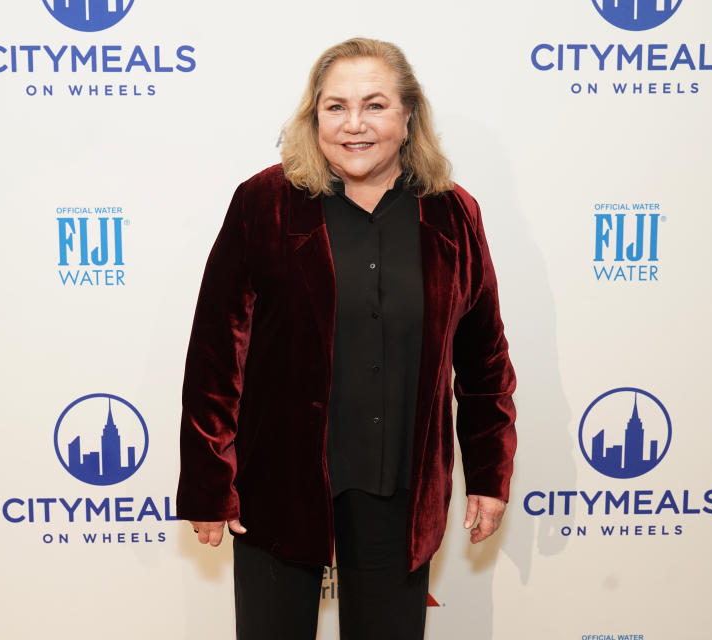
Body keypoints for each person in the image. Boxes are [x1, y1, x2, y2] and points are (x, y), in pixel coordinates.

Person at [176, 37, 517, 640]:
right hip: (278, 489)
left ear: (408, 116)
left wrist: (490, 475)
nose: (354, 125)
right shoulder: (264, 203)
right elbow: (214, 351)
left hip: (400, 491)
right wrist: (209, 481)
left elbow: (485, 360)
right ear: (314, 117)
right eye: (335, 107)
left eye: (375, 105)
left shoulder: (452, 215)